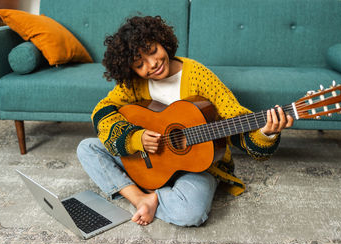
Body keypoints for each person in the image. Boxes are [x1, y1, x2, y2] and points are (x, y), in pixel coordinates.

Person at [77, 16, 294, 227]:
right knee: (87, 148)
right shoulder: (134, 84)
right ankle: (138, 198)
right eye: (139, 64)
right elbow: (103, 110)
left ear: (162, 41)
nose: (152, 64)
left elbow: (234, 119)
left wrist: (266, 133)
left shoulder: (199, 76)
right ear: (130, 70)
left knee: (191, 213)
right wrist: (135, 138)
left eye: (153, 51)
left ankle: (152, 197)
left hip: (200, 167)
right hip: (150, 161)